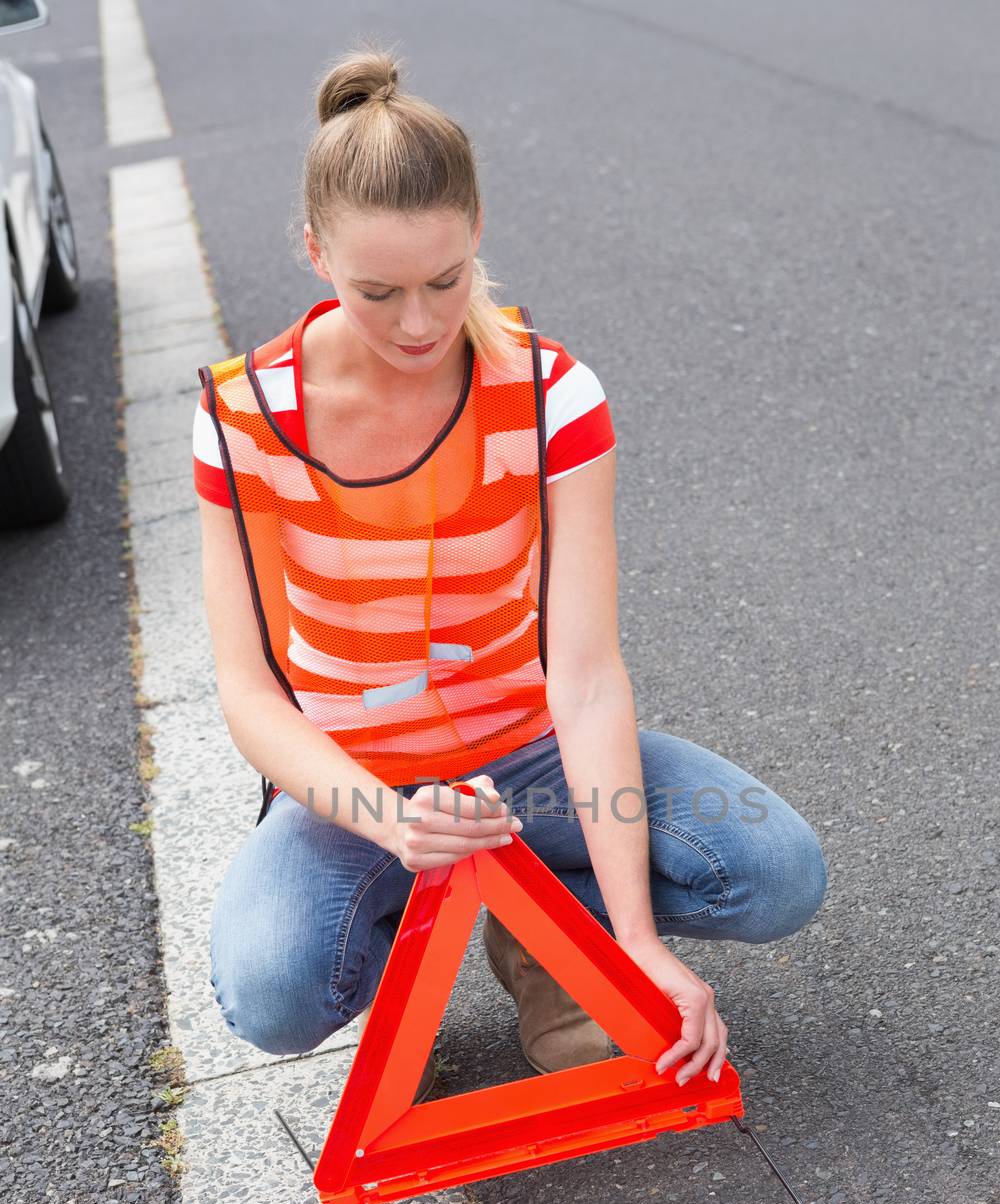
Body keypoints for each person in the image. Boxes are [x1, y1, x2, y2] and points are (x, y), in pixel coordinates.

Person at [193, 44, 828, 1104]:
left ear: (477, 230)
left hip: (527, 762)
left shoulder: (549, 396)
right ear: (312, 253)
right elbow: (249, 692)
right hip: (355, 785)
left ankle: (550, 939)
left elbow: (582, 677)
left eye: (444, 281)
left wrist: (633, 943)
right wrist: (392, 821)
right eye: (375, 291)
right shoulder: (242, 418)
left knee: (775, 873)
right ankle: (430, 911)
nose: (418, 323)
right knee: (272, 992)